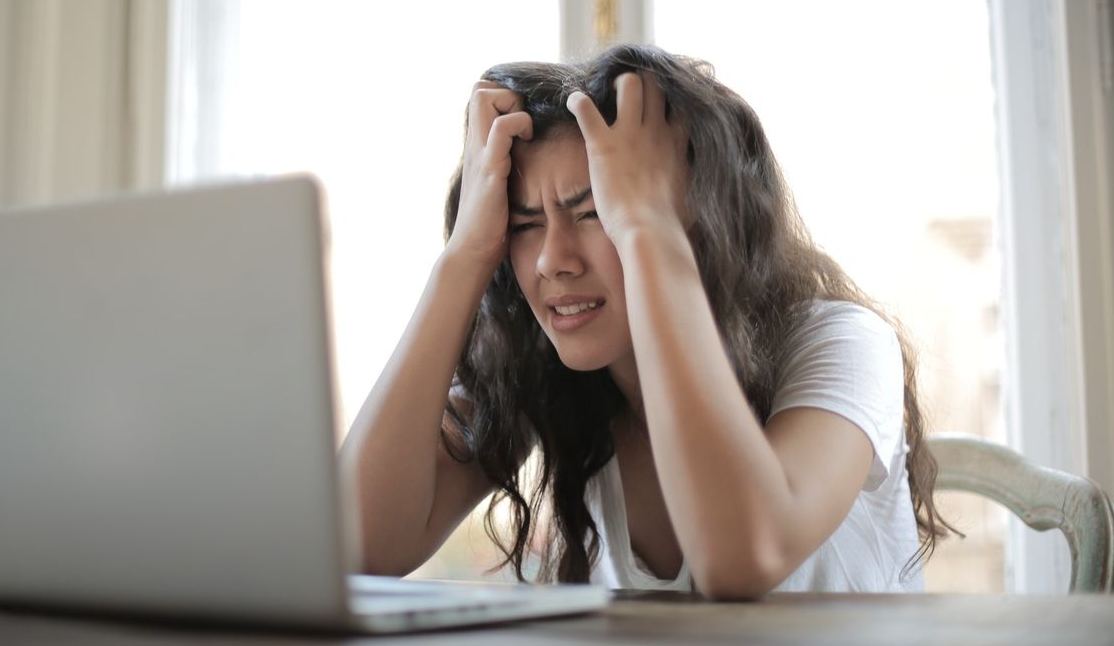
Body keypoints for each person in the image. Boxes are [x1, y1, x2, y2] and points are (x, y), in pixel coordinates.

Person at [340, 43, 954, 598]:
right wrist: (465, 254)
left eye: (596, 212)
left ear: (700, 217)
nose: (553, 260)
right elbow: (359, 546)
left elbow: (742, 557)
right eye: (524, 225)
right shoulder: (551, 375)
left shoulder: (843, 342)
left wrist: (647, 230)